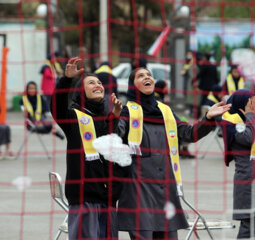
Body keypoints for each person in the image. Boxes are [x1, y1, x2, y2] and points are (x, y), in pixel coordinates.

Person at [116, 67, 231, 239]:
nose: (147, 77)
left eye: (149, 75)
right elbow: (114, 136)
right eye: (141, 76)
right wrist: (112, 117)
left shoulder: (165, 111)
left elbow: (189, 134)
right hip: (139, 190)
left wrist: (207, 118)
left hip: (165, 190)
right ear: (132, 86)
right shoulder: (126, 111)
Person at [51, 57, 126, 239]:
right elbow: (56, 106)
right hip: (84, 199)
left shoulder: (107, 117)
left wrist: (115, 117)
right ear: (81, 91)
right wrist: (66, 80)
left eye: (100, 83)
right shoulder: (73, 117)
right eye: (91, 82)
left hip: (108, 200)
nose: (98, 85)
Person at [221, 89, 255, 239]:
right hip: (248, 180)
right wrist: (251, 116)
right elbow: (247, 138)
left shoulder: (249, 121)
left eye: (254, 102)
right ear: (240, 104)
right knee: (249, 227)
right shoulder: (230, 122)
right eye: (250, 102)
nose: (253, 106)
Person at [155, 80, 194, 159]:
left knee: (183, 122)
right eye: (166, 88)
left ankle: (184, 150)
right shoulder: (158, 99)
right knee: (184, 126)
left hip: (166, 122)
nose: (167, 90)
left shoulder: (159, 96)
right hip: (163, 125)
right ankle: (184, 150)